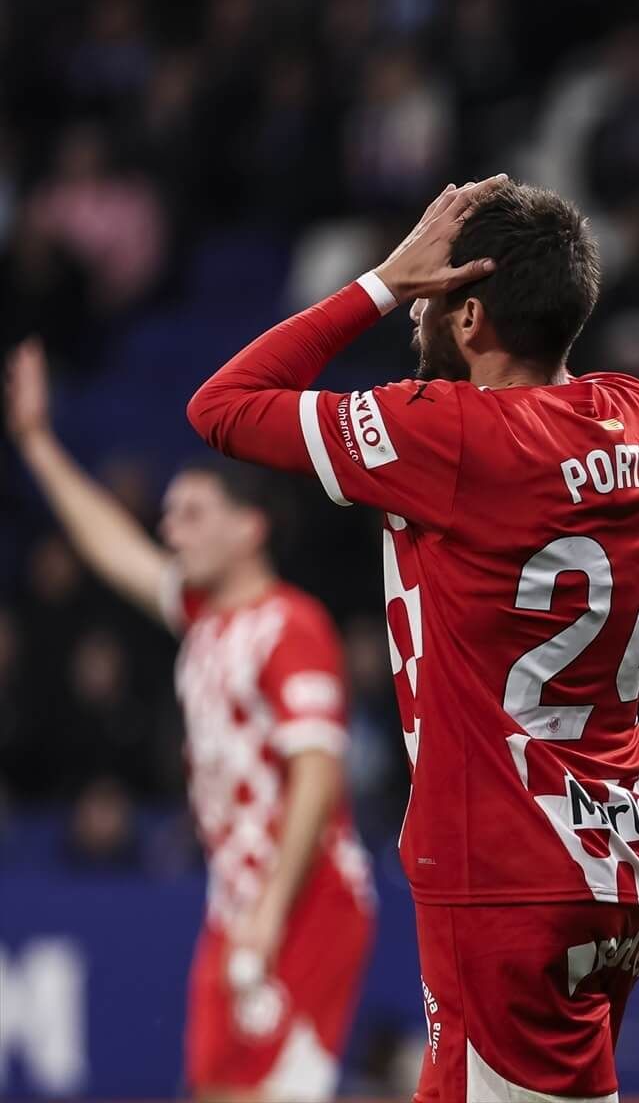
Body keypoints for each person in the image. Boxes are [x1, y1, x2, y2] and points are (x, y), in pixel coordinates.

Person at [184, 177, 639, 1103]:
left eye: (433, 296)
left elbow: (224, 405)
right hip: (619, 857)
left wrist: (381, 282)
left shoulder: (450, 435)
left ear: (471, 317)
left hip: (504, 866)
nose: (418, 312)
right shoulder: (637, 413)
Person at [5, 341, 374, 1102]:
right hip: (237, 903)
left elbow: (316, 773)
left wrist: (271, 909)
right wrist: (37, 443)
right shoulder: (206, 619)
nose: (172, 530)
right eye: (170, 515)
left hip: (304, 902)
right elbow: (115, 549)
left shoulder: (289, 627)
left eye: (194, 514)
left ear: (250, 528)